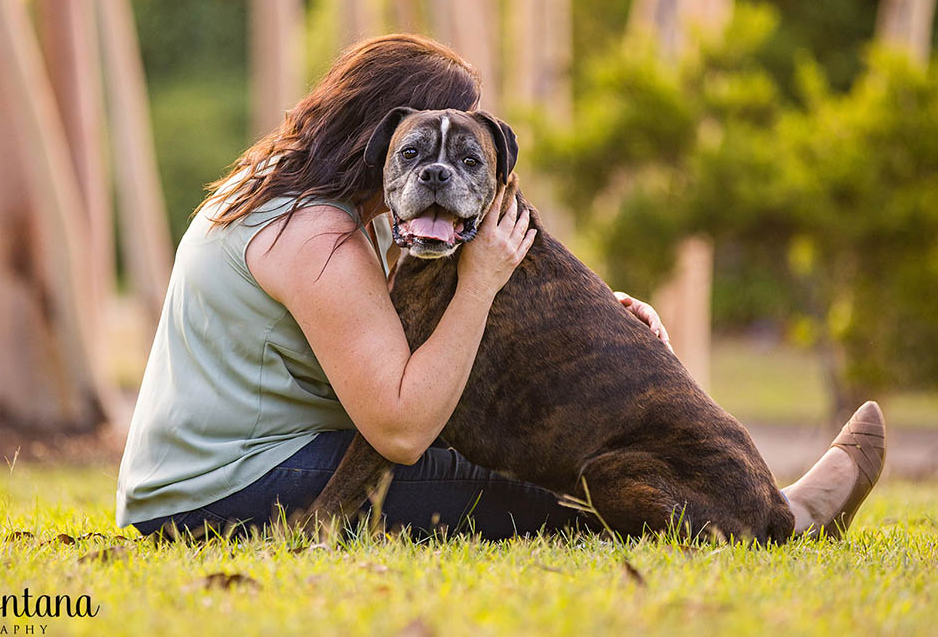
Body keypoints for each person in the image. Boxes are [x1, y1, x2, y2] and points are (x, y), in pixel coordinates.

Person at [115, 34, 884, 541]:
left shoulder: (276, 191)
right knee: (548, 499)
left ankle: (765, 501)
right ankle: (776, 517)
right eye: (420, 145)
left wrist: (606, 337)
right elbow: (402, 428)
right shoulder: (317, 235)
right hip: (225, 490)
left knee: (536, 459)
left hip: (195, 473)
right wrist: (481, 281)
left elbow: (475, 340)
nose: (441, 168)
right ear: (379, 137)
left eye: (466, 147)